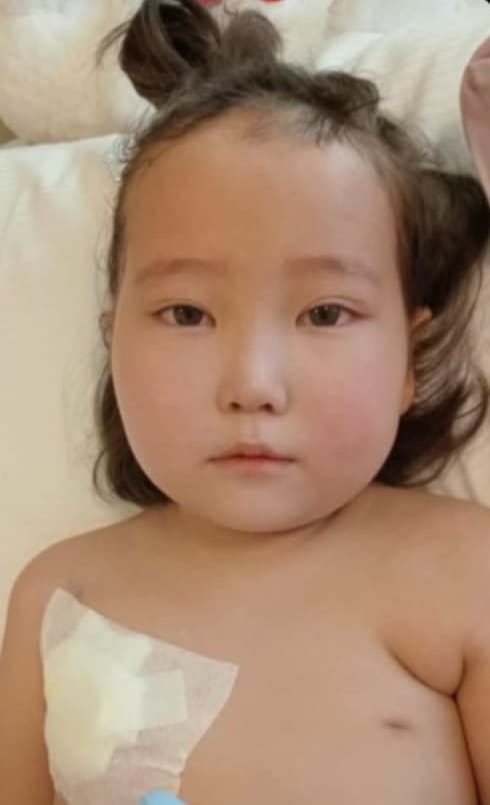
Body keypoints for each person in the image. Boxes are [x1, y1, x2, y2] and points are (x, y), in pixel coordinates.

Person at [1, 1, 490, 803]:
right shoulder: (62, 595)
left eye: (324, 314)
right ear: (113, 342)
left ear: (411, 358)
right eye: (187, 314)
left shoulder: (462, 571)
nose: (252, 385)